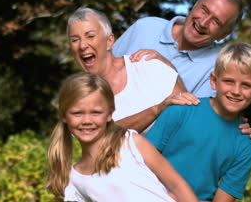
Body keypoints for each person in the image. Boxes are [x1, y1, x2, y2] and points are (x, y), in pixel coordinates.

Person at [66, 7, 251, 136]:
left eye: (90, 36)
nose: (83, 45)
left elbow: (194, 120)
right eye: (75, 40)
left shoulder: (152, 66)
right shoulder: (77, 97)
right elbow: (99, 135)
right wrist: (156, 109)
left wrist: (232, 129)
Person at [46, 72, 199, 202]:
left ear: (110, 114)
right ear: (64, 116)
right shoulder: (74, 179)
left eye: (96, 112)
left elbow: (176, 185)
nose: (87, 121)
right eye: (77, 113)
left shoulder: (130, 143)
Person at [145, 42, 251, 202]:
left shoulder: (245, 146)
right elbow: (140, 162)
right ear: (214, 81)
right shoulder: (181, 111)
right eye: (229, 81)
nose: (236, 91)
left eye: (246, 85)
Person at [112, 0, 244, 98]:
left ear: (223, 34)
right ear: (195, 5)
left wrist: (168, 69)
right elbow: (101, 72)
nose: (203, 23)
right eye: (204, 10)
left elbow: (195, 117)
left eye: (216, 21)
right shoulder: (145, 27)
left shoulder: (219, 65)